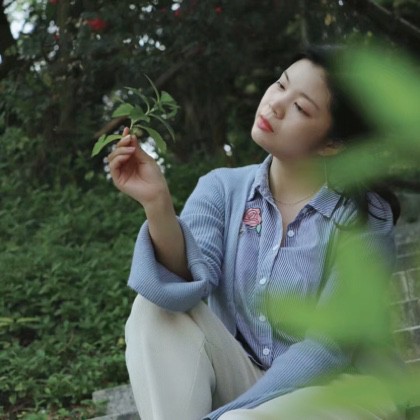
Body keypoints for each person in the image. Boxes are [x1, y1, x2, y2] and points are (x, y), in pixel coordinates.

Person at [107, 46, 404, 419]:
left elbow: (328, 349)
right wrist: (157, 205)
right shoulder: (221, 189)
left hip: (339, 393)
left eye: (301, 108)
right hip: (245, 381)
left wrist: (224, 414)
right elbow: (186, 286)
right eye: (280, 84)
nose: (275, 105)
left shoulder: (363, 220)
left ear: (332, 144)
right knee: (154, 310)